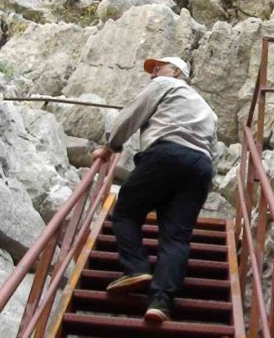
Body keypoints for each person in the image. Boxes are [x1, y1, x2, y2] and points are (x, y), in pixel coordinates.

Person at [91, 56, 217, 323]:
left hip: (167, 153)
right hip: (200, 166)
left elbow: (132, 115)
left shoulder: (165, 85)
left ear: (177, 72)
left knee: (125, 210)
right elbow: (212, 148)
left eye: (160, 67)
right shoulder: (207, 109)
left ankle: (136, 267)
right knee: (176, 237)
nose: (155, 72)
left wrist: (110, 147)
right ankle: (161, 302)